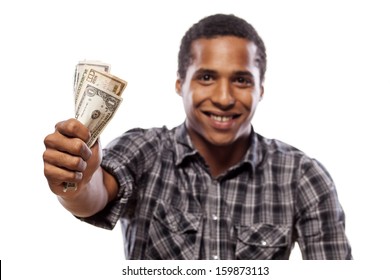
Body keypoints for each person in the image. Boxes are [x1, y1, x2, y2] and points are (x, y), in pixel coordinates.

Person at [43, 14, 352, 260]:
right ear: (180, 83)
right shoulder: (145, 150)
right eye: (206, 77)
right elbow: (94, 196)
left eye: (241, 80)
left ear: (260, 89)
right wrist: (76, 183)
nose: (223, 98)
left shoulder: (303, 177)